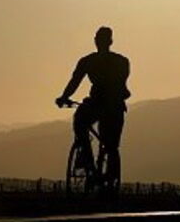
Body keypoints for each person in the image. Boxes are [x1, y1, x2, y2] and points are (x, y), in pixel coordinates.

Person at [55, 27, 130, 187]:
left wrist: (64, 98)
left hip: (102, 103)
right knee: (111, 144)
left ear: (96, 41)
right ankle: (104, 172)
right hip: (113, 104)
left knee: (82, 123)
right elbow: (122, 84)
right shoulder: (121, 61)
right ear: (111, 41)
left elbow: (74, 82)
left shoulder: (88, 61)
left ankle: (88, 160)